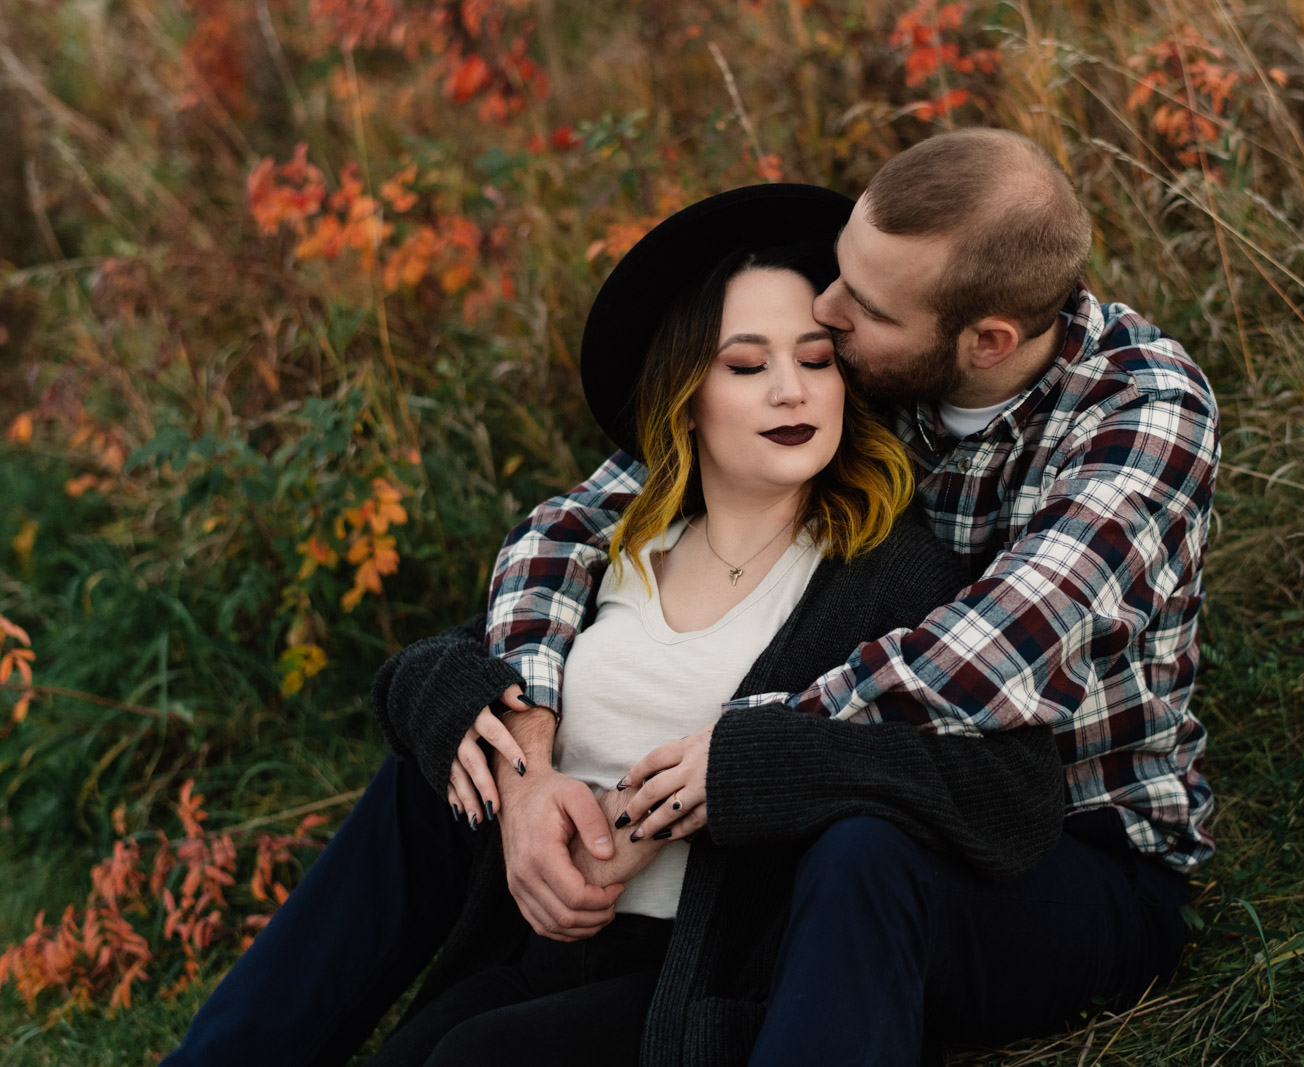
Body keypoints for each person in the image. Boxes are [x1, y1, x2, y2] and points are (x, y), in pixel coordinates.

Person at [164, 184, 1065, 1067]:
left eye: (817, 360)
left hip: (697, 972)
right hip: (538, 948)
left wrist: (761, 763)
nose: (790, 390)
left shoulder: (891, 572)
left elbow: (1013, 786)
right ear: (687, 395)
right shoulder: (619, 544)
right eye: (746, 366)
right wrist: (507, 768)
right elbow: (443, 664)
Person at [483, 127, 1217, 1062]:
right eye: (838, 271)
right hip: (861, 789)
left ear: (984, 340)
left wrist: (748, 757)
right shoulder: (869, 359)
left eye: (860, 304)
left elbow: (983, 663)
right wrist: (531, 732)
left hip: (1072, 848)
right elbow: (579, 522)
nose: (823, 310)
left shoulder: (1144, 412)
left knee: (862, 857)